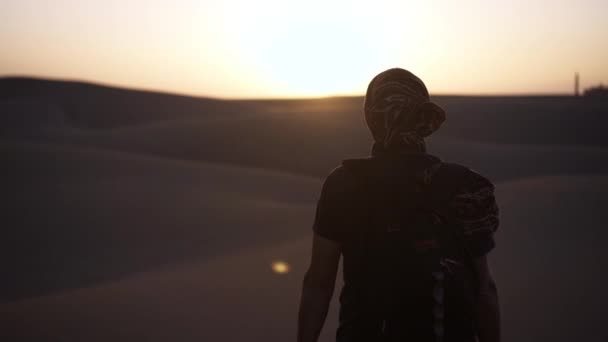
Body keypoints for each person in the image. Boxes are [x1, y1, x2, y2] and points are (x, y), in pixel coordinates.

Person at [297, 68, 500, 342]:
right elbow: (483, 289)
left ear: (371, 115)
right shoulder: (466, 186)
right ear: (423, 117)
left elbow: (319, 284)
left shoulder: (343, 184)